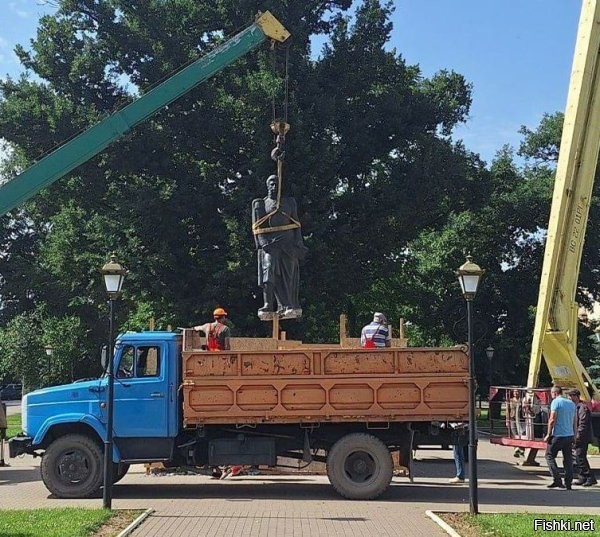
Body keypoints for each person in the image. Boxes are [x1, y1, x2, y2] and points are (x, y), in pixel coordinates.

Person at [252, 175, 308, 320]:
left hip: (287, 244)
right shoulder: (261, 204)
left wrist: (299, 244)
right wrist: (263, 242)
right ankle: (268, 304)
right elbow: (257, 226)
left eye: (277, 183)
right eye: (271, 183)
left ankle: (288, 305)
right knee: (268, 271)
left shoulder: (289, 202)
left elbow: (296, 225)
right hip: (270, 245)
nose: (274, 186)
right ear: (267, 185)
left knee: (288, 276)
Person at [544, 385, 577, 490]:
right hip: (569, 435)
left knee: (549, 455)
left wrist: (548, 434)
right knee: (568, 459)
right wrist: (575, 435)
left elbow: (552, 419)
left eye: (551, 393)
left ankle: (557, 480)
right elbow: (575, 421)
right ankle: (568, 483)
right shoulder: (571, 403)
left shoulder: (556, 402)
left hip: (558, 435)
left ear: (554, 393)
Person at [567, 389, 597, 487]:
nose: (569, 398)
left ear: (576, 396)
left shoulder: (582, 408)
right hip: (575, 435)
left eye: (571, 396)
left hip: (581, 436)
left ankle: (590, 477)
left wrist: (578, 436)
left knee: (580, 457)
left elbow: (582, 424)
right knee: (577, 457)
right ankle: (582, 477)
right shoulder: (574, 407)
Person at [508, 389, 525, 457]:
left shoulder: (522, 400)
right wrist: (507, 420)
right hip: (513, 419)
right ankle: (516, 449)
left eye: (517, 391)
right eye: (515, 391)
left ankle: (521, 449)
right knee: (514, 434)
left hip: (521, 419)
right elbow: (508, 410)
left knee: (521, 434)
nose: (516, 393)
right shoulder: (510, 400)